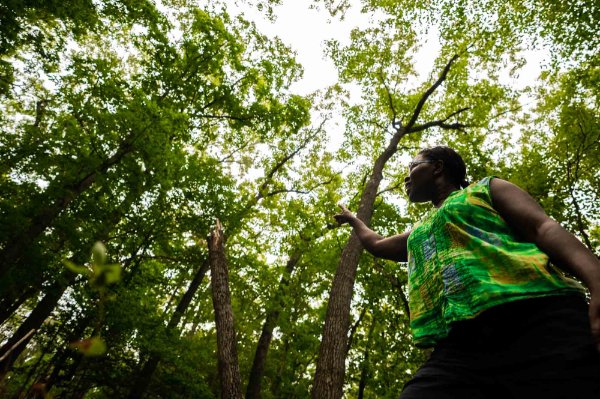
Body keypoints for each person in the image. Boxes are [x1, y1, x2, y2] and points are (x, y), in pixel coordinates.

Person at [334, 146, 600, 398]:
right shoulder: (420, 230)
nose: (406, 178)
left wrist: (596, 282)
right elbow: (378, 244)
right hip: (457, 348)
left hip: (540, 321)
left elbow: (541, 227)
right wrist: (354, 221)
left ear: (437, 167)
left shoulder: (486, 189)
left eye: (412, 167)